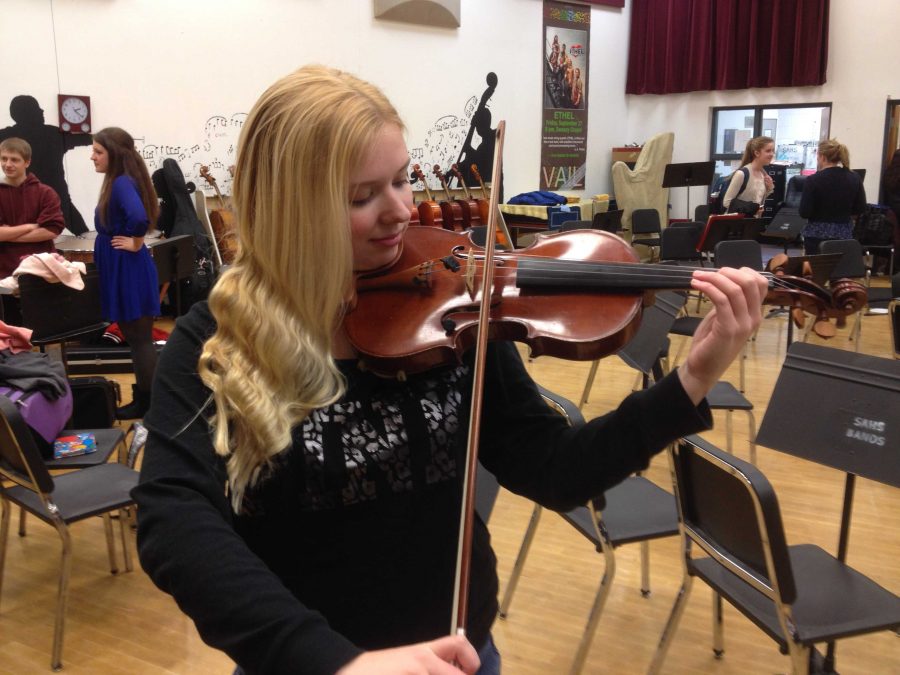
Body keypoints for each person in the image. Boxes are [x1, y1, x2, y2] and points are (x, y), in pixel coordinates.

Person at [132, 65, 767, 675]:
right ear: (290, 206)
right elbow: (174, 518)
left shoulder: (452, 309)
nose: (401, 211)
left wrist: (691, 379)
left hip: (459, 654)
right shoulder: (223, 339)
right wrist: (334, 661)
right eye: (362, 196)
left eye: (402, 181)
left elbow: (554, 468)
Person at [90, 127, 160, 419]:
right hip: (125, 267)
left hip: (128, 268)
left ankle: (149, 404)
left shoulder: (120, 183)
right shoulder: (119, 181)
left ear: (114, 154)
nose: (92, 157)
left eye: (98, 151)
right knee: (136, 338)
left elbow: (138, 217)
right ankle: (148, 402)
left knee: (140, 338)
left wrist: (136, 239)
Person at [0, 95, 93, 235]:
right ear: (28, 113)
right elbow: (85, 139)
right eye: (37, 108)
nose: (42, 111)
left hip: (27, 196)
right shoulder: (53, 134)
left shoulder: (7, 135)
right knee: (82, 233)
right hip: (57, 195)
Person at [0, 137, 65, 323]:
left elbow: (52, 230)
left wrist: (7, 234)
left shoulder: (45, 193)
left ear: (27, 162)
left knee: (43, 329)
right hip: (4, 272)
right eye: (4, 159)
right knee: (10, 330)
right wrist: (29, 227)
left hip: (40, 274)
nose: (8, 164)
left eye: (14, 159)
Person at [799, 139, 867, 254]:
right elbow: (860, 208)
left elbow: (804, 212)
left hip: (816, 236)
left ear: (822, 156)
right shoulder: (854, 177)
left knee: (818, 269)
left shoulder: (813, 180)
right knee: (839, 269)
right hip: (844, 234)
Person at [721, 135, 775, 217]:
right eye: (768, 151)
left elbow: (756, 199)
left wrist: (769, 188)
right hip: (736, 224)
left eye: (773, 151)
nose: (772, 154)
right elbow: (727, 202)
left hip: (752, 223)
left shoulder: (763, 174)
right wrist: (753, 209)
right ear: (757, 153)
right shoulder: (742, 174)